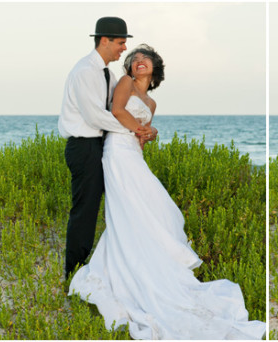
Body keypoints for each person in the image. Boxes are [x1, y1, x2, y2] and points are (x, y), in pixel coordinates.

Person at [67, 44, 265, 339]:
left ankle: (147, 262)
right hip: (117, 153)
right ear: (130, 68)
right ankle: (127, 270)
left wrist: (146, 134)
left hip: (133, 154)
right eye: (134, 59)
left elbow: (143, 137)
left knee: (153, 209)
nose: (138, 61)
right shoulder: (125, 84)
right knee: (134, 209)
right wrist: (142, 130)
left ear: (155, 67)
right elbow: (118, 111)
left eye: (144, 58)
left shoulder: (152, 103)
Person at [59, 16, 153, 281]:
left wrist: (144, 127)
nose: (124, 49)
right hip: (84, 146)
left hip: (101, 146)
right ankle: (73, 273)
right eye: (121, 43)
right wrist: (135, 129)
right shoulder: (84, 71)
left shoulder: (107, 74)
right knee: (85, 209)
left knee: (104, 206)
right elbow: (95, 117)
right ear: (105, 40)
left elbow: (121, 107)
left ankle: (97, 267)